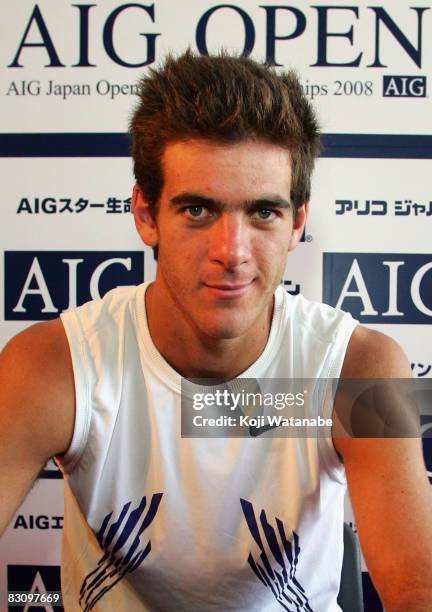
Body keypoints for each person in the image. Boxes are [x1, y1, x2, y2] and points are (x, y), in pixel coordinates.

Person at [1, 50, 431, 611]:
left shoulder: (358, 366)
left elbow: (417, 587)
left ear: (298, 221)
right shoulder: (54, 364)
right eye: (198, 211)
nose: (232, 252)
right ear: (145, 214)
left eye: (263, 213)